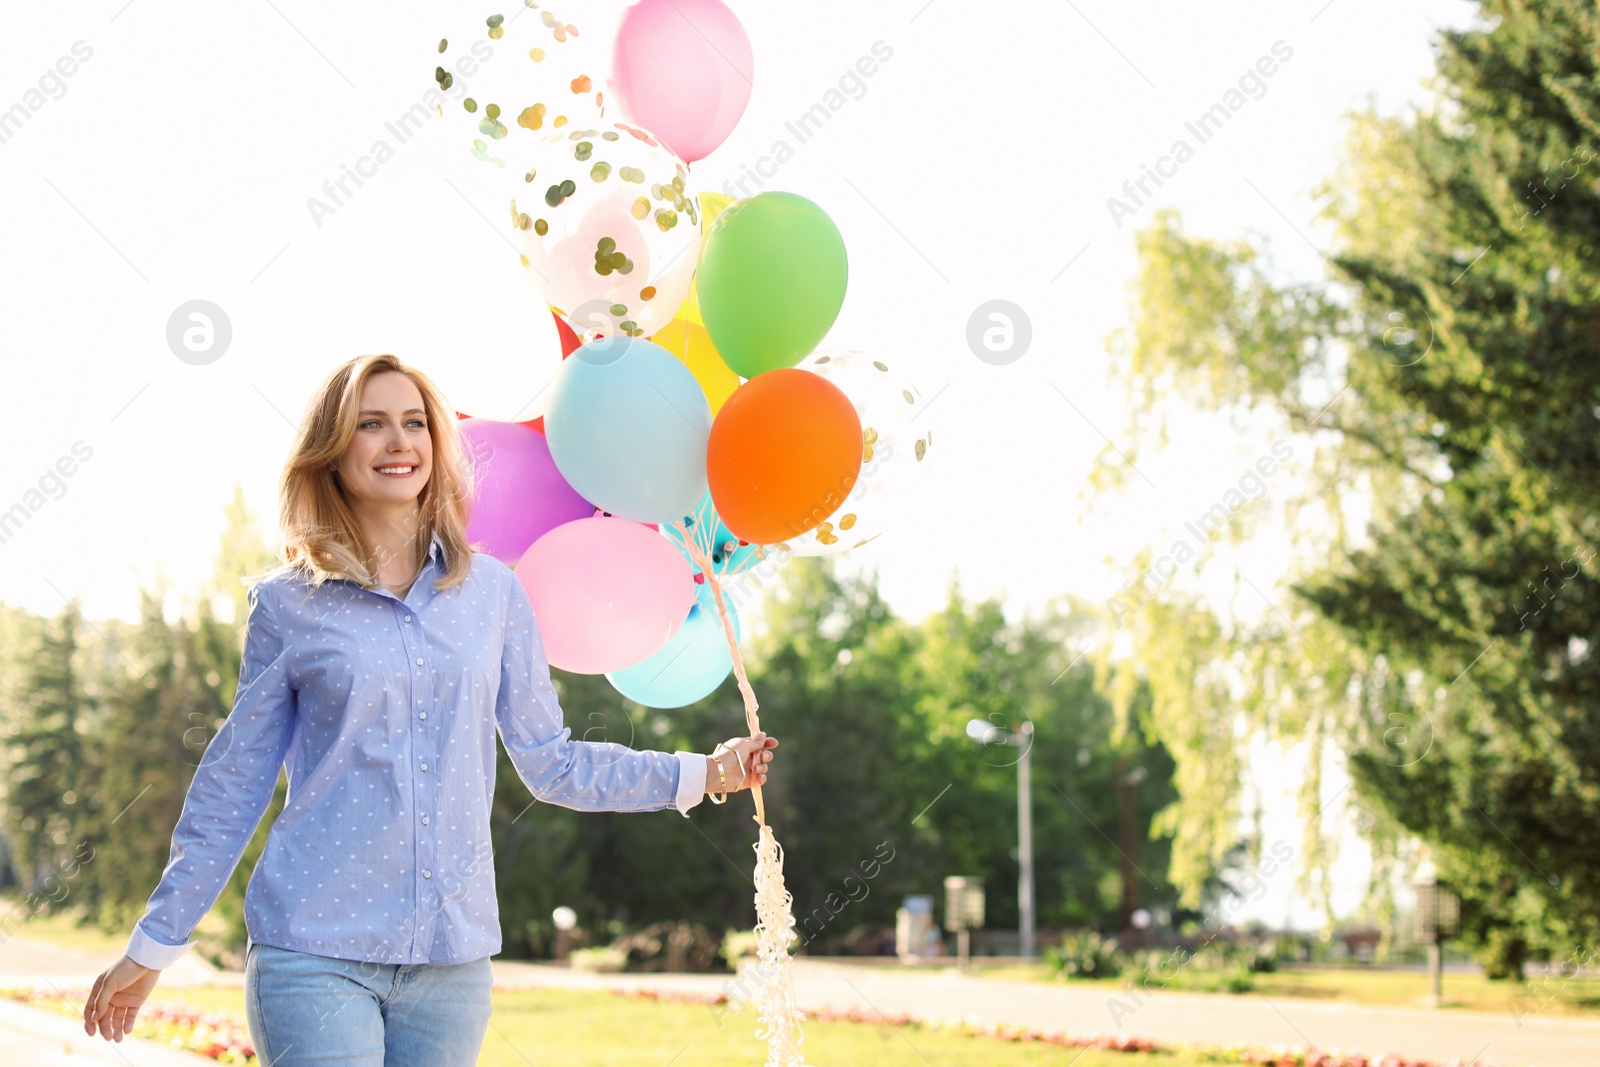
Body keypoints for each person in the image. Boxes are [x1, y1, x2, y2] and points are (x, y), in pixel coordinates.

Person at [81, 353, 778, 1065]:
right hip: (314, 951)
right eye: (371, 424)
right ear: (332, 451)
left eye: (414, 423)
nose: (399, 442)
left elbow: (553, 763)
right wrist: (154, 944)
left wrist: (705, 773)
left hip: (451, 963)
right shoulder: (289, 605)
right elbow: (235, 784)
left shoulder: (496, 596)